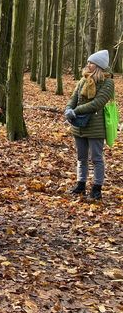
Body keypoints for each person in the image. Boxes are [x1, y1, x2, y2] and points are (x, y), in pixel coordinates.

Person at [64, 49, 115, 201]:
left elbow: (97, 103)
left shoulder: (108, 83)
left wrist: (75, 111)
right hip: (78, 126)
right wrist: (68, 109)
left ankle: (97, 189)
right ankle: (81, 185)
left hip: (96, 127)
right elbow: (73, 98)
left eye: (90, 63)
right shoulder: (82, 81)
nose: (88, 65)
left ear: (98, 65)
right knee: (81, 158)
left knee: (97, 158)